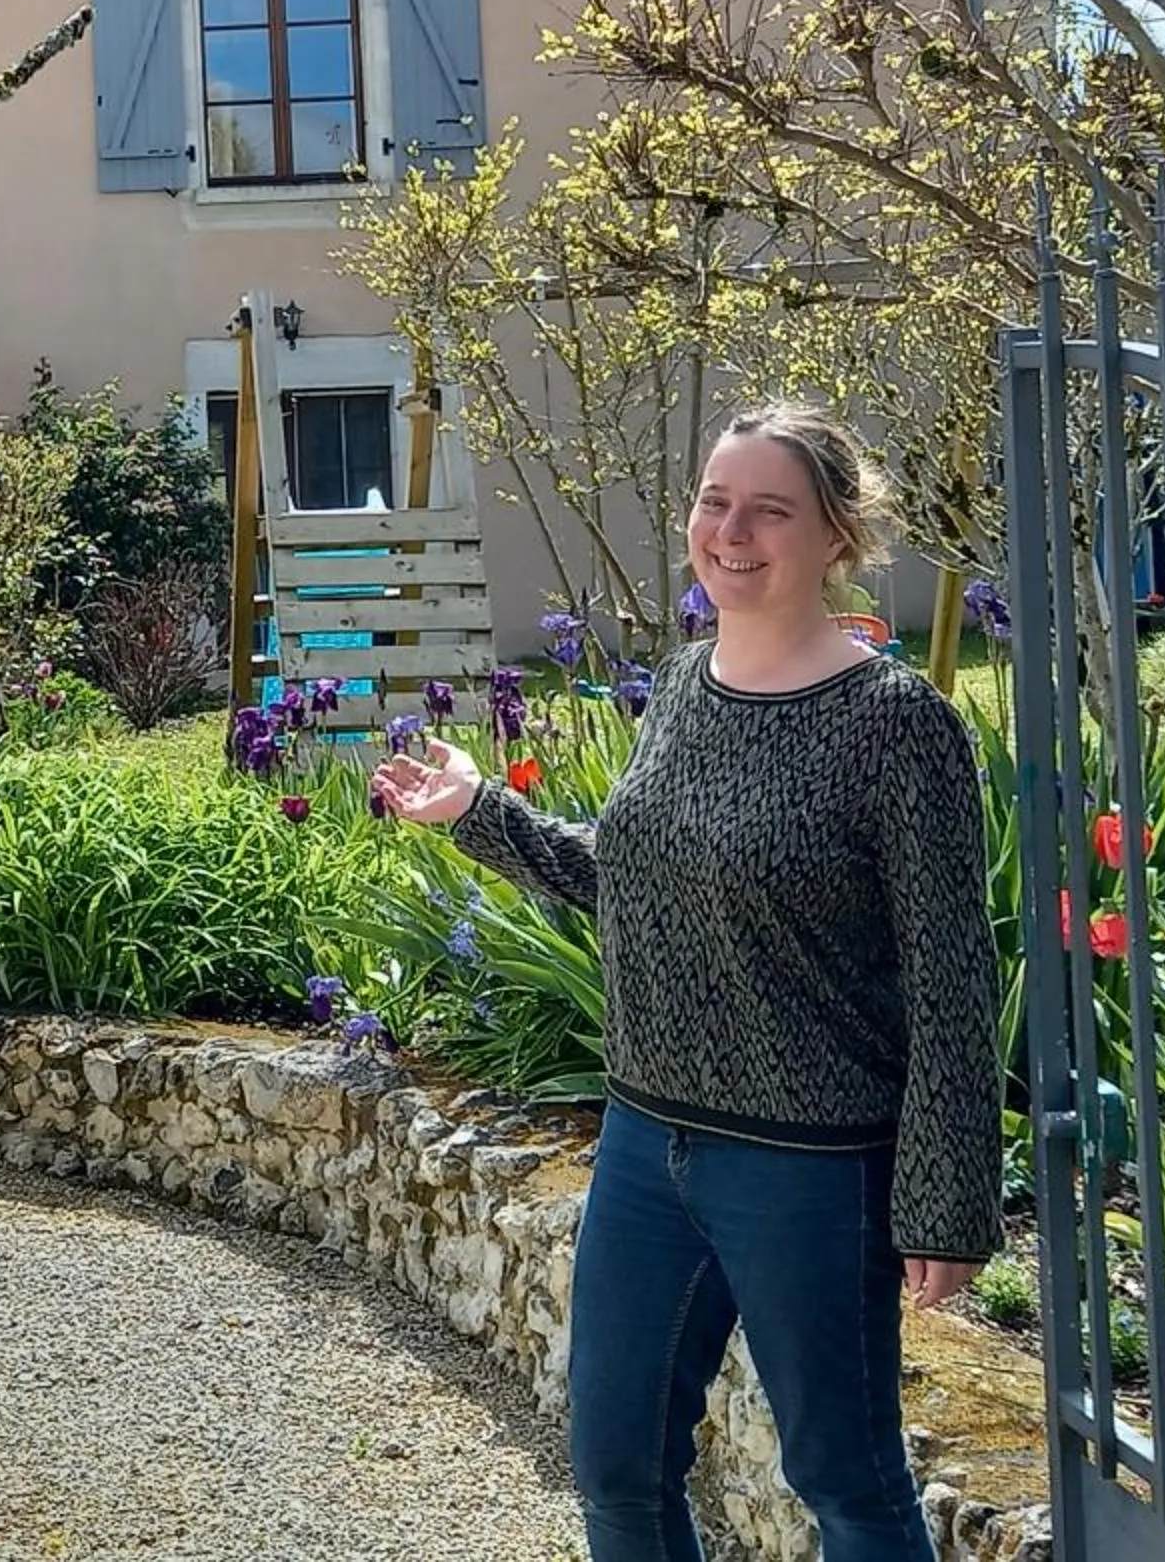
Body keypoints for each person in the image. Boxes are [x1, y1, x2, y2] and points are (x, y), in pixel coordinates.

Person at [372, 404, 999, 1562]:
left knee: (846, 1480)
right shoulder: (683, 684)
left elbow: (955, 978)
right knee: (614, 1464)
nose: (734, 530)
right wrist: (481, 813)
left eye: (771, 509)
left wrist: (947, 1202)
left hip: (810, 1170)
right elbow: (636, 882)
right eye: (717, 501)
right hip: (646, 1146)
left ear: (834, 536)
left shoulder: (896, 724)